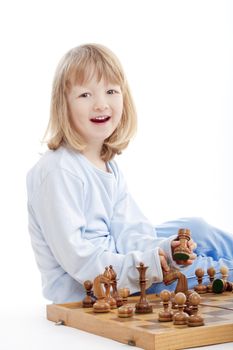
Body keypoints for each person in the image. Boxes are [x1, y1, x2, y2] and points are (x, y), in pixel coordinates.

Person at [26, 44, 233, 304]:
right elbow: (81, 262)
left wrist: (164, 249)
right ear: (63, 105)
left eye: (111, 91)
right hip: (98, 288)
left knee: (196, 229)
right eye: (85, 95)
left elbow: (129, 232)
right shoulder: (58, 171)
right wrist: (151, 264)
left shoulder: (107, 164)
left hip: (119, 258)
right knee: (205, 270)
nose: (101, 104)